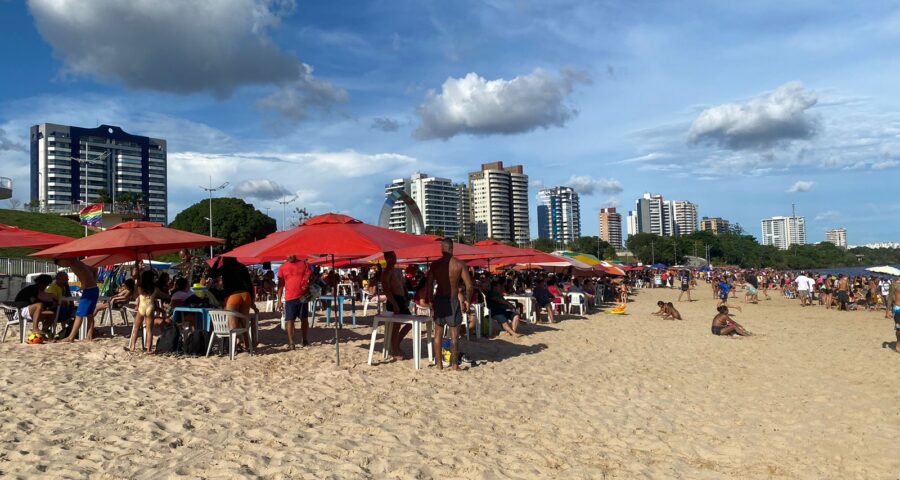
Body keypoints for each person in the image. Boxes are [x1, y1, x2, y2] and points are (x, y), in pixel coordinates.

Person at [424, 238, 474, 370]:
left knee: (438, 334)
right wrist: (467, 300)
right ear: (452, 249)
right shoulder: (459, 264)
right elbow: (469, 286)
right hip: (452, 301)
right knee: (454, 335)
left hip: (439, 300)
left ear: (442, 249)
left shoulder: (435, 265)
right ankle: (454, 365)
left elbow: (429, 284)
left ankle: (439, 365)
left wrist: (430, 300)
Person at [210, 257, 258, 351]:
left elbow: (212, 273)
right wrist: (252, 298)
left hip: (232, 295)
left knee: (233, 324)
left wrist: (218, 260)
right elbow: (249, 283)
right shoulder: (242, 266)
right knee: (244, 322)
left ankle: (234, 347)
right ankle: (248, 345)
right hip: (245, 295)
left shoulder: (224, 267)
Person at [276, 255, 313, 349]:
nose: (290, 256)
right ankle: (291, 343)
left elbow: (311, 277)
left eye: (292, 254)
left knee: (304, 319)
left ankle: (304, 339)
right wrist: (279, 300)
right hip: (289, 298)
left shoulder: (304, 264)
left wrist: (309, 286)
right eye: (288, 255)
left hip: (303, 297)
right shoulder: (282, 267)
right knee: (290, 320)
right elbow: (280, 285)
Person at [58, 258, 99, 342]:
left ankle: (71, 337)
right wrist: (93, 282)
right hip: (94, 289)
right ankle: (89, 336)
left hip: (89, 290)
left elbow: (83, 273)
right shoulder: (78, 263)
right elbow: (94, 269)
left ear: (63, 260)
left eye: (59, 264)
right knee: (89, 314)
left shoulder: (73, 264)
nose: (61, 266)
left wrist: (84, 284)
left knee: (79, 314)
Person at [381, 251, 412, 360]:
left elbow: (402, 286)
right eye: (393, 257)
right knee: (396, 326)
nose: (395, 258)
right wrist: (394, 304)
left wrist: (406, 296)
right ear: (387, 258)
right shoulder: (386, 272)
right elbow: (387, 290)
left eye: (395, 256)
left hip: (401, 299)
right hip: (394, 300)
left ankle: (396, 345)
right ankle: (395, 350)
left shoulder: (396, 271)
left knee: (409, 324)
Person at [128, 270, 162, 352]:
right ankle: (149, 349)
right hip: (150, 307)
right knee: (149, 330)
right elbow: (163, 295)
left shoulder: (140, 287)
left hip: (141, 307)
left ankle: (132, 347)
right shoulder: (155, 289)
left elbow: (135, 296)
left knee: (136, 328)